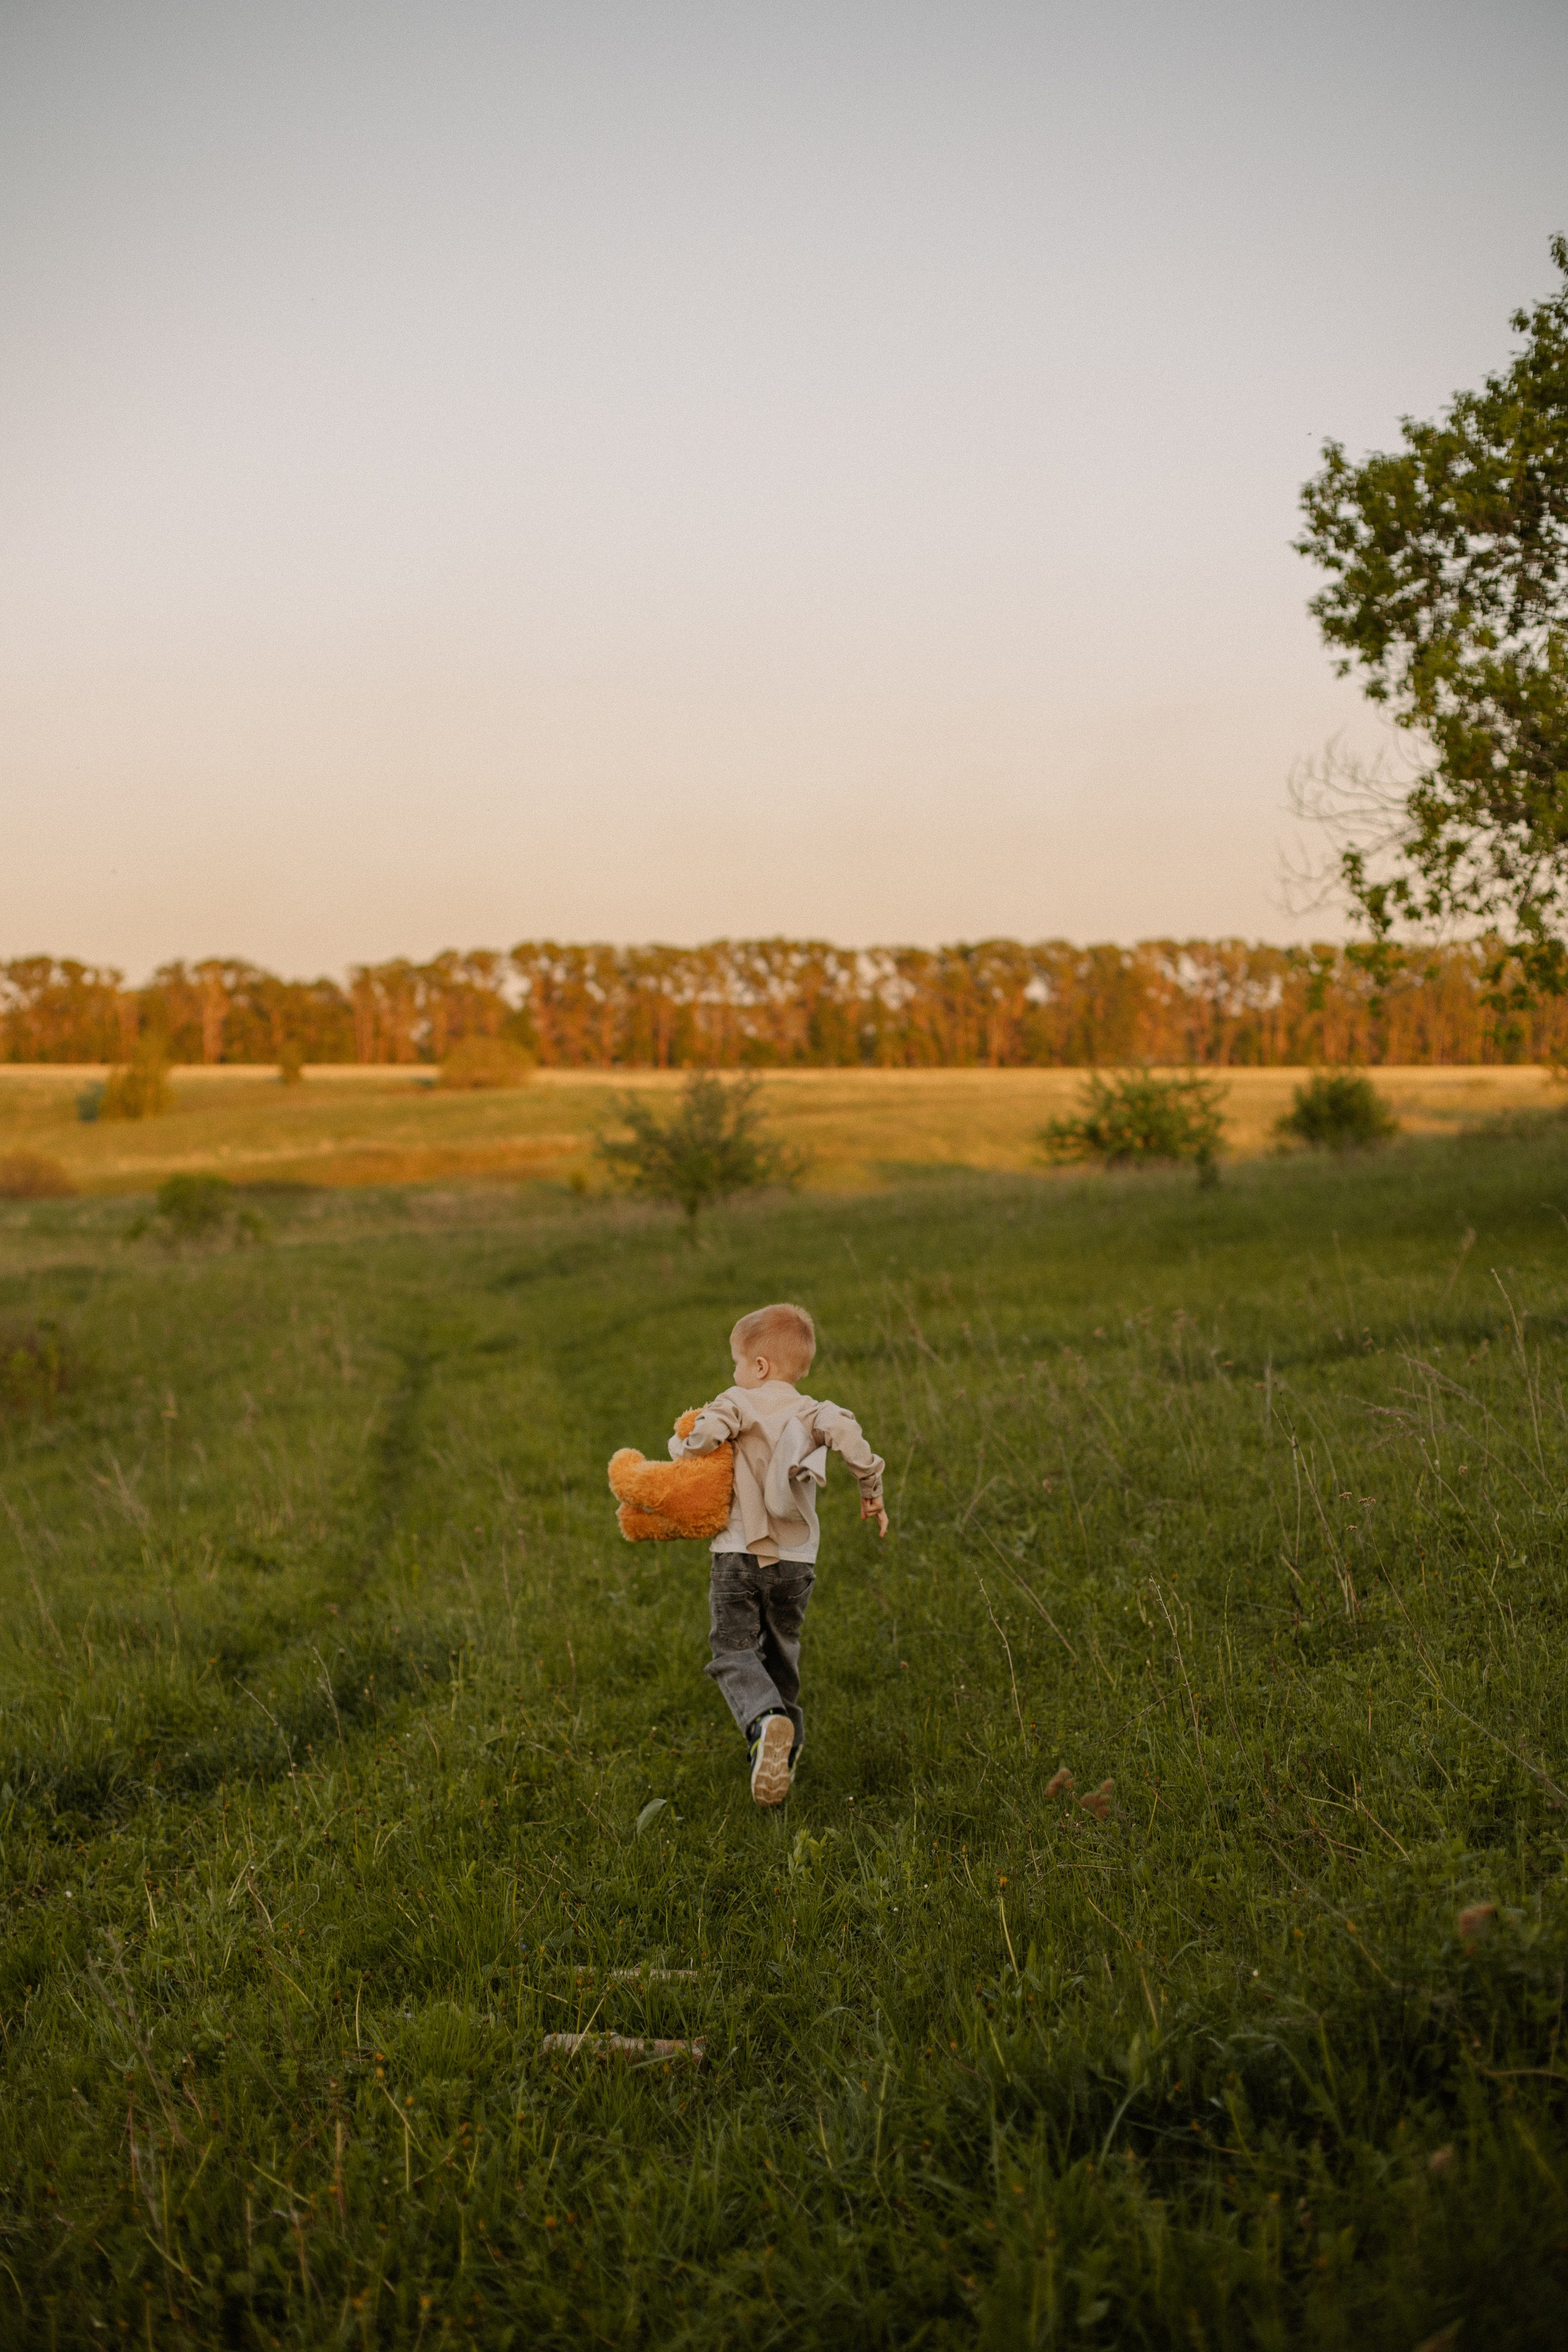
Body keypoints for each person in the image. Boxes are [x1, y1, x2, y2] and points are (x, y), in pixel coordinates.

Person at [669, 1301, 888, 1806]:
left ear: (760, 1366)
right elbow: (850, 1440)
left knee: (734, 1650)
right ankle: (785, 1752)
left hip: (738, 1554)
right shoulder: (815, 1411)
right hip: (797, 1562)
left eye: (738, 1363)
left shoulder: (737, 1401)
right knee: (783, 1648)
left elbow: (705, 1435)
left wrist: (682, 1448)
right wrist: (871, 1489)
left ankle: (766, 1724)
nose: (735, 1373)